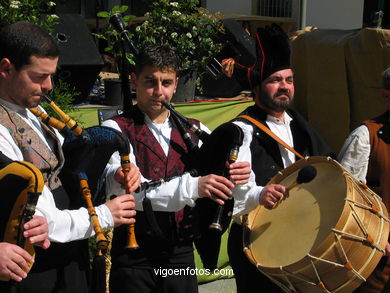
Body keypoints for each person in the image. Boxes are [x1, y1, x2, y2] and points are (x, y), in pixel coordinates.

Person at [0, 21, 140, 292]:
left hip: (65, 254)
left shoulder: (30, 111)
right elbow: (39, 217)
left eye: (51, 75)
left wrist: (113, 176)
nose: (49, 85)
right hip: (30, 265)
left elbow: (71, 170)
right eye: (39, 76)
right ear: (6, 68)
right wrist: (103, 216)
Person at [102, 45, 252, 293]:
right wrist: (195, 186)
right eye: (150, 81)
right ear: (133, 81)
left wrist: (237, 178)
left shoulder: (197, 129)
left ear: (176, 84)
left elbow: (229, 188)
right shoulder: (115, 128)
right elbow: (135, 193)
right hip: (134, 256)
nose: (158, 92)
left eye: (166, 83)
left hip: (180, 254)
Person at [219, 23, 335, 293]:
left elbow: (327, 166)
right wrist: (261, 193)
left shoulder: (300, 125)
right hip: (256, 240)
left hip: (297, 235)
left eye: (289, 80)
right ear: (257, 87)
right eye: (275, 80)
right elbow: (234, 198)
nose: (284, 87)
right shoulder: (241, 131)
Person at [339, 67, 390, 293]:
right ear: (386, 96)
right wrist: (374, 239)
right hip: (378, 260)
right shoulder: (365, 136)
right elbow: (345, 200)